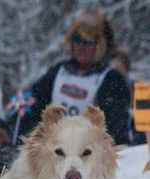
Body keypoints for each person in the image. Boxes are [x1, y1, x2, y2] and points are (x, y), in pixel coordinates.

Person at [14, 8, 131, 145]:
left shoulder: (111, 79)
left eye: (89, 41)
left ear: (100, 45)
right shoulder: (58, 72)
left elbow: (115, 130)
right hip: (55, 148)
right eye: (77, 39)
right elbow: (30, 107)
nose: (82, 46)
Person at [111, 49, 147, 146]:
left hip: (135, 144)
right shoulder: (105, 91)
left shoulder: (139, 88)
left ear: (126, 67)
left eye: (120, 66)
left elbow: (144, 123)